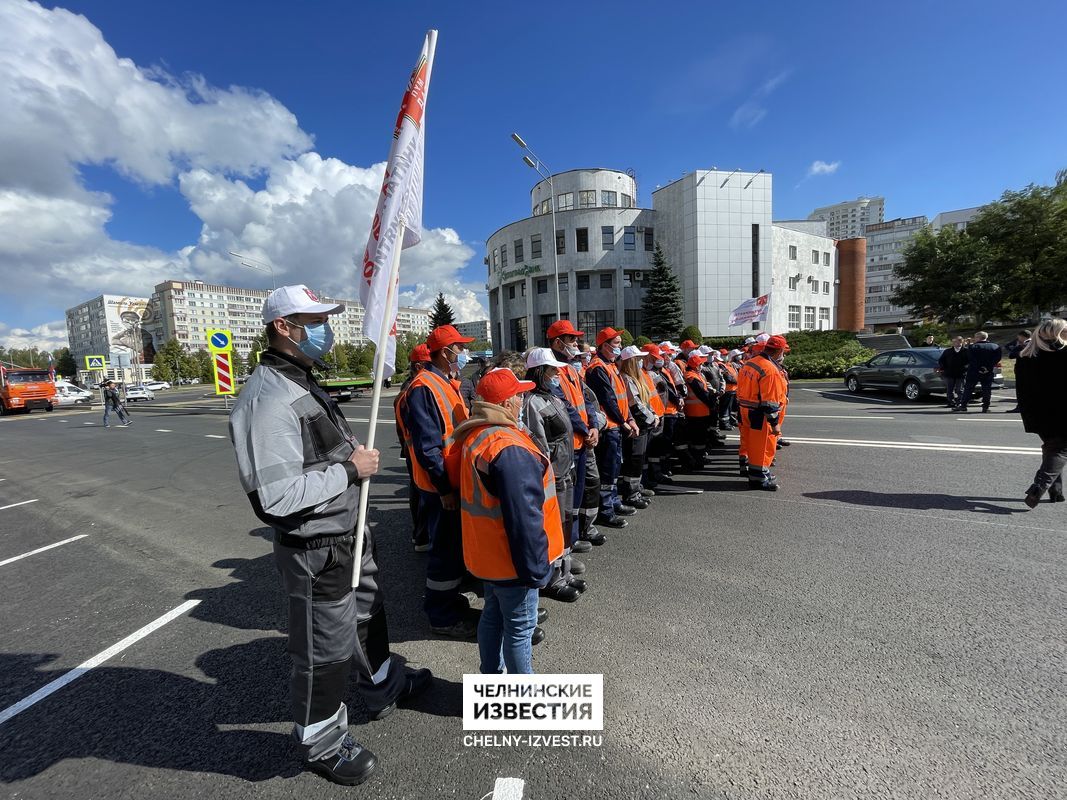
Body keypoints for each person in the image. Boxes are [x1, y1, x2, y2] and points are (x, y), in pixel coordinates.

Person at [229, 285, 429, 786]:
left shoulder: (299, 381)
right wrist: (350, 471)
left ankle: (383, 685)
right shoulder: (267, 398)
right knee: (324, 651)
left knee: (369, 615)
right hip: (316, 550)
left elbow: (318, 453)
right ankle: (322, 743)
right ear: (283, 327)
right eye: (313, 320)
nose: (325, 329)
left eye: (325, 319)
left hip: (345, 534)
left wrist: (346, 455)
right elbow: (273, 499)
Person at [453, 368, 565, 673]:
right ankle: (520, 694)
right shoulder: (508, 446)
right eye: (518, 394)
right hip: (512, 561)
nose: (523, 398)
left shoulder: (477, 434)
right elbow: (525, 519)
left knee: (493, 615)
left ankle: (492, 676)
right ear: (505, 403)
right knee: (519, 628)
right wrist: (535, 569)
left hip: (488, 556)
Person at [398, 325, 476, 637]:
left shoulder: (443, 382)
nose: (462, 353)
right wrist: (444, 488)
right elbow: (428, 447)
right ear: (445, 352)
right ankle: (442, 617)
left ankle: (449, 601)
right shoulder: (424, 387)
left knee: (451, 549)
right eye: (459, 348)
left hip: (450, 481)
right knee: (443, 553)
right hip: (440, 486)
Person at [523, 348, 585, 603]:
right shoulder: (532, 403)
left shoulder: (552, 398)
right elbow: (539, 445)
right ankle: (552, 579)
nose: (557, 373)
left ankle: (565, 571)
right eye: (551, 370)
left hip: (565, 472)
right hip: (552, 477)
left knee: (565, 524)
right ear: (539, 372)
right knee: (554, 527)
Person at [545, 320, 599, 552]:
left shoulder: (571, 368)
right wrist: (586, 430)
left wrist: (593, 425)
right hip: (568, 445)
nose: (576, 343)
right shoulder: (552, 369)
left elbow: (585, 400)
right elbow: (565, 407)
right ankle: (568, 540)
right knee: (567, 497)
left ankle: (574, 536)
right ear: (558, 342)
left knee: (578, 493)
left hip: (582, 440)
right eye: (572, 339)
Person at [585, 328, 638, 527]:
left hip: (617, 424)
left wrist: (629, 419)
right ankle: (605, 509)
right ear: (604, 345)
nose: (619, 346)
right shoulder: (597, 367)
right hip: (609, 427)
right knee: (607, 470)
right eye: (616, 343)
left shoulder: (611, 365)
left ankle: (614, 502)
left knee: (615, 467)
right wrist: (624, 421)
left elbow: (622, 397)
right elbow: (608, 400)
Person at [1014, 319, 1067, 508]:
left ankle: (1056, 491)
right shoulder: (1063, 354)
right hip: (1062, 412)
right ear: (1059, 333)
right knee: (1060, 449)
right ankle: (1039, 486)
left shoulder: (1026, 354)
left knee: (1052, 447)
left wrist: (1027, 413)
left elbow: (1021, 388)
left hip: (1037, 413)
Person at [736, 335, 789, 490]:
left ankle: (760, 473)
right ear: (779, 351)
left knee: (753, 444)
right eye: (783, 352)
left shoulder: (750, 363)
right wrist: (775, 423)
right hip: (760, 413)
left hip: (746, 410)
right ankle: (758, 478)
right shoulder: (769, 369)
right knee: (763, 445)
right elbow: (770, 401)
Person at [395, 344, 432, 552]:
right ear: (419, 366)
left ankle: (421, 535)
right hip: (418, 453)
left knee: (418, 493)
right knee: (421, 493)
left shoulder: (413, 386)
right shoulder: (415, 389)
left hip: (414, 452)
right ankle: (421, 536)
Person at [616, 345, 657, 508]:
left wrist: (653, 414)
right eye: (638, 359)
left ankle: (636, 489)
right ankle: (631, 494)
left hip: (643, 424)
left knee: (639, 460)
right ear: (631, 361)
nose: (641, 362)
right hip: (637, 426)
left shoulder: (635, 377)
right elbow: (635, 405)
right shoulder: (626, 378)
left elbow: (646, 401)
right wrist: (651, 418)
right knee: (633, 461)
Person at [960, 331, 1002, 413]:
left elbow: (970, 359)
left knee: (969, 388)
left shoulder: (973, 347)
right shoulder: (995, 346)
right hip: (988, 371)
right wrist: (987, 367)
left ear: (978, 338)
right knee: (986, 389)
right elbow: (997, 358)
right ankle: (985, 407)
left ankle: (963, 405)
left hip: (974, 371)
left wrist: (979, 368)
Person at [938, 336, 969, 410]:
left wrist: (966, 368)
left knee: (959, 389)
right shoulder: (948, 351)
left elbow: (970, 361)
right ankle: (951, 402)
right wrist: (944, 367)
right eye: (954, 342)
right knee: (949, 389)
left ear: (962, 342)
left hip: (961, 374)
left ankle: (960, 402)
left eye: (958, 341)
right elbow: (941, 360)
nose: (956, 343)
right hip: (949, 373)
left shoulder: (966, 351)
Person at [1004, 330, 1031, 412]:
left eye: (1019, 337)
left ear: (1022, 336)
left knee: (1021, 390)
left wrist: (1019, 348)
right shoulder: (1036, 344)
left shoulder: (1024, 345)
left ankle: (1020, 406)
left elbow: (1012, 355)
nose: (1018, 338)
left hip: (1023, 369)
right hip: (1028, 370)